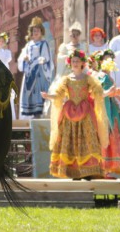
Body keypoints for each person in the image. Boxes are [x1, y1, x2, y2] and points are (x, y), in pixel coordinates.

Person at [43, 49, 114, 179]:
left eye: (77, 61)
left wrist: (109, 92)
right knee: (69, 140)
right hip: (69, 114)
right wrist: (49, 96)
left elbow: (98, 93)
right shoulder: (66, 79)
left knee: (88, 139)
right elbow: (59, 94)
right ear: (70, 63)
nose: (75, 63)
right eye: (73, 61)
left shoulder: (88, 79)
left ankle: (88, 171)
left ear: (82, 63)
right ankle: (73, 171)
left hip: (85, 114)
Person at [91, 49, 120, 176]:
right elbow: (103, 93)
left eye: (110, 59)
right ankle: (102, 170)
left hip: (109, 108)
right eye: (106, 59)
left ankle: (104, 170)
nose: (109, 62)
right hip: (104, 111)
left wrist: (119, 94)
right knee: (105, 138)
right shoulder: (101, 76)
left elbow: (110, 92)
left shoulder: (105, 76)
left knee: (108, 138)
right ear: (100, 62)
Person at [18, 17, 53, 120]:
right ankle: (33, 114)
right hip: (29, 72)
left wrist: (40, 60)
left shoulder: (44, 43)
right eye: (34, 31)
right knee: (30, 93)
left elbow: (46, 57)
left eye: (38, 30)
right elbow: (23, 56)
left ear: (41, 31)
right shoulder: (29, 44)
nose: (36, 32)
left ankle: (39, 113)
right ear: (31, 32)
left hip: (39, 72)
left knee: (39, 92)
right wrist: (25, 58)